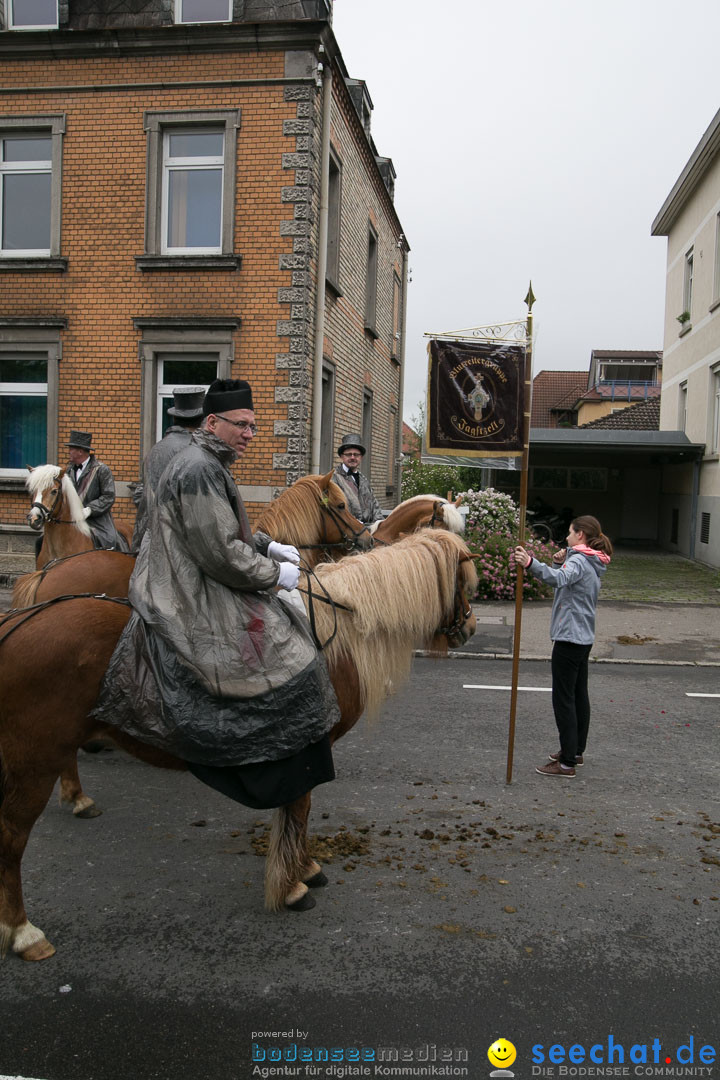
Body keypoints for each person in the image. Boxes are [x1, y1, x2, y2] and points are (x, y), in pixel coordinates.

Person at [92, 378, 339, 810]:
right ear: (211, 422)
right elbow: (220, 554)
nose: (249, 434)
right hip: (186, 588)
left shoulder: (208, 461)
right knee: (290, 654)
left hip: (196, 569)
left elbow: (222, 529)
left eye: (254, 426)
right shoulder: (200, 467)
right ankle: (252, 760)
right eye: (241, 425)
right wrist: (273, 574)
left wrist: (265, 544)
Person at [512, 515, 613, 778]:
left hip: (569, 637)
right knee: (579, 695)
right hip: (583, 636)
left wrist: (530, 563)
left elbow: (557, 580)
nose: (566, 537)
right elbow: (568, 577)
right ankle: (575, 750)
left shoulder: (579, 560)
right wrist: (561, 559)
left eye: (569, 533)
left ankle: (566, 763)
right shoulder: (591, 558)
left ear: (580, 535)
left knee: (564, 699)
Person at [131, 385, 205, 548]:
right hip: (182, 546)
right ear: (203, 420)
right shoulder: (199, 452)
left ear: (174, 418)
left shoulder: (154, 450)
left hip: (150, 540)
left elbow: (140, 495)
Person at [67, 430, 128, 550]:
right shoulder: (69, 471)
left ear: (80, 451)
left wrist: (89, 510)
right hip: (72, 519)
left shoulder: (101, 470)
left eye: (71, 449)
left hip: (97, 519)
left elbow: (108, 497)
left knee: (110, 540)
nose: (69, 452)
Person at [332, 433, 384, 525]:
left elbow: (375, 506)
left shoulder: (364, 480)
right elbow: (333, 509)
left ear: (361, 457)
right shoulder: (334, 479)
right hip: (348, 532)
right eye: (349, 454)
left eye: (356, 455)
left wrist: (380, 525)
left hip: (369, 532)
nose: (353, 457)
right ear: (341, 457)